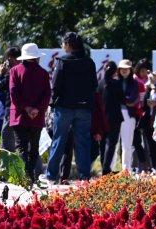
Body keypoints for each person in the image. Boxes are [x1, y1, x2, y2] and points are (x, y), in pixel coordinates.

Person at [45, 32, 97, 183]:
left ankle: (51, 176)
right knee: (83, 142)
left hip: (64, 108)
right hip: (84, 108)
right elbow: (93, 85)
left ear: (68, 44)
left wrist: (52, 104)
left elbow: (55, 86)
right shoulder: (89, 62)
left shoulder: (62, 61)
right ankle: (84, 177)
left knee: (59, 140)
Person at [9, 43, 51, 183]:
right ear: (37, 57)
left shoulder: (14, 71)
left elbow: (13, 93)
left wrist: (26, 108)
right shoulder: (44, 73)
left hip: (19, 116)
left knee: (21, 147)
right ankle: (31, 176)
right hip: (36, 117)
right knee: (34, 148)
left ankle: (24, 176)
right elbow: (47, 95)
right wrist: (36, 109)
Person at [98, 61, 124, 175]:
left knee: (103, 144)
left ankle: (104, 167)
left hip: (102, 117)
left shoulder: (100, 83)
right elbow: (122, 99)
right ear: (115, 71)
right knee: (112, 143)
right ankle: (106, 168)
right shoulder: (117, 83)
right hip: (115, 117)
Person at [0, 47, 21, 152]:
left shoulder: (13, 73)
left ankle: (8, 167)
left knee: (7, 143)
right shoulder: (25, 70)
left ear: (11, 59)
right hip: (24, 111)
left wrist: (0, 74)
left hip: (10, 111)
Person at [115, 59, 139, 172]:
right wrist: (124, 99)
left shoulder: (135, 83)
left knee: (127, 144)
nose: (124, 70)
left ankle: (126, 170)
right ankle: (110, 171)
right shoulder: (114, 81)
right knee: (113, 144)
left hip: (129, 115)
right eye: (122, 69)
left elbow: (133, 99)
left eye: (126, 68)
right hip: (114, 114)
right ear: (118, 70)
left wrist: (120, 99)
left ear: (130, 70)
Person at [132, 59, 152, 172]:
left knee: (148, 142)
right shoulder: (133, 79)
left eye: (146, 70)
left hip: (147, 113)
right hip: (135, 113)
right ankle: (136, 166)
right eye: (142, 70)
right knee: (136, 142)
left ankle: (148, 166)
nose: (144, 73)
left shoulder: (151, 81)